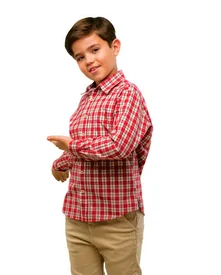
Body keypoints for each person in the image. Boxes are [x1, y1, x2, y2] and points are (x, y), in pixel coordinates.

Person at [47, 16, 153, 275]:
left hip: (116, 218)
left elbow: (119, 146)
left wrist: (71, 147)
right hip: (78, 217)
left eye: (95, 50)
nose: (89, 61)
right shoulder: (86, 99)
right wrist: (61, 162)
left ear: (114, 47)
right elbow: (86, 148)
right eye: (80, 57)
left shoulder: (128, 94)